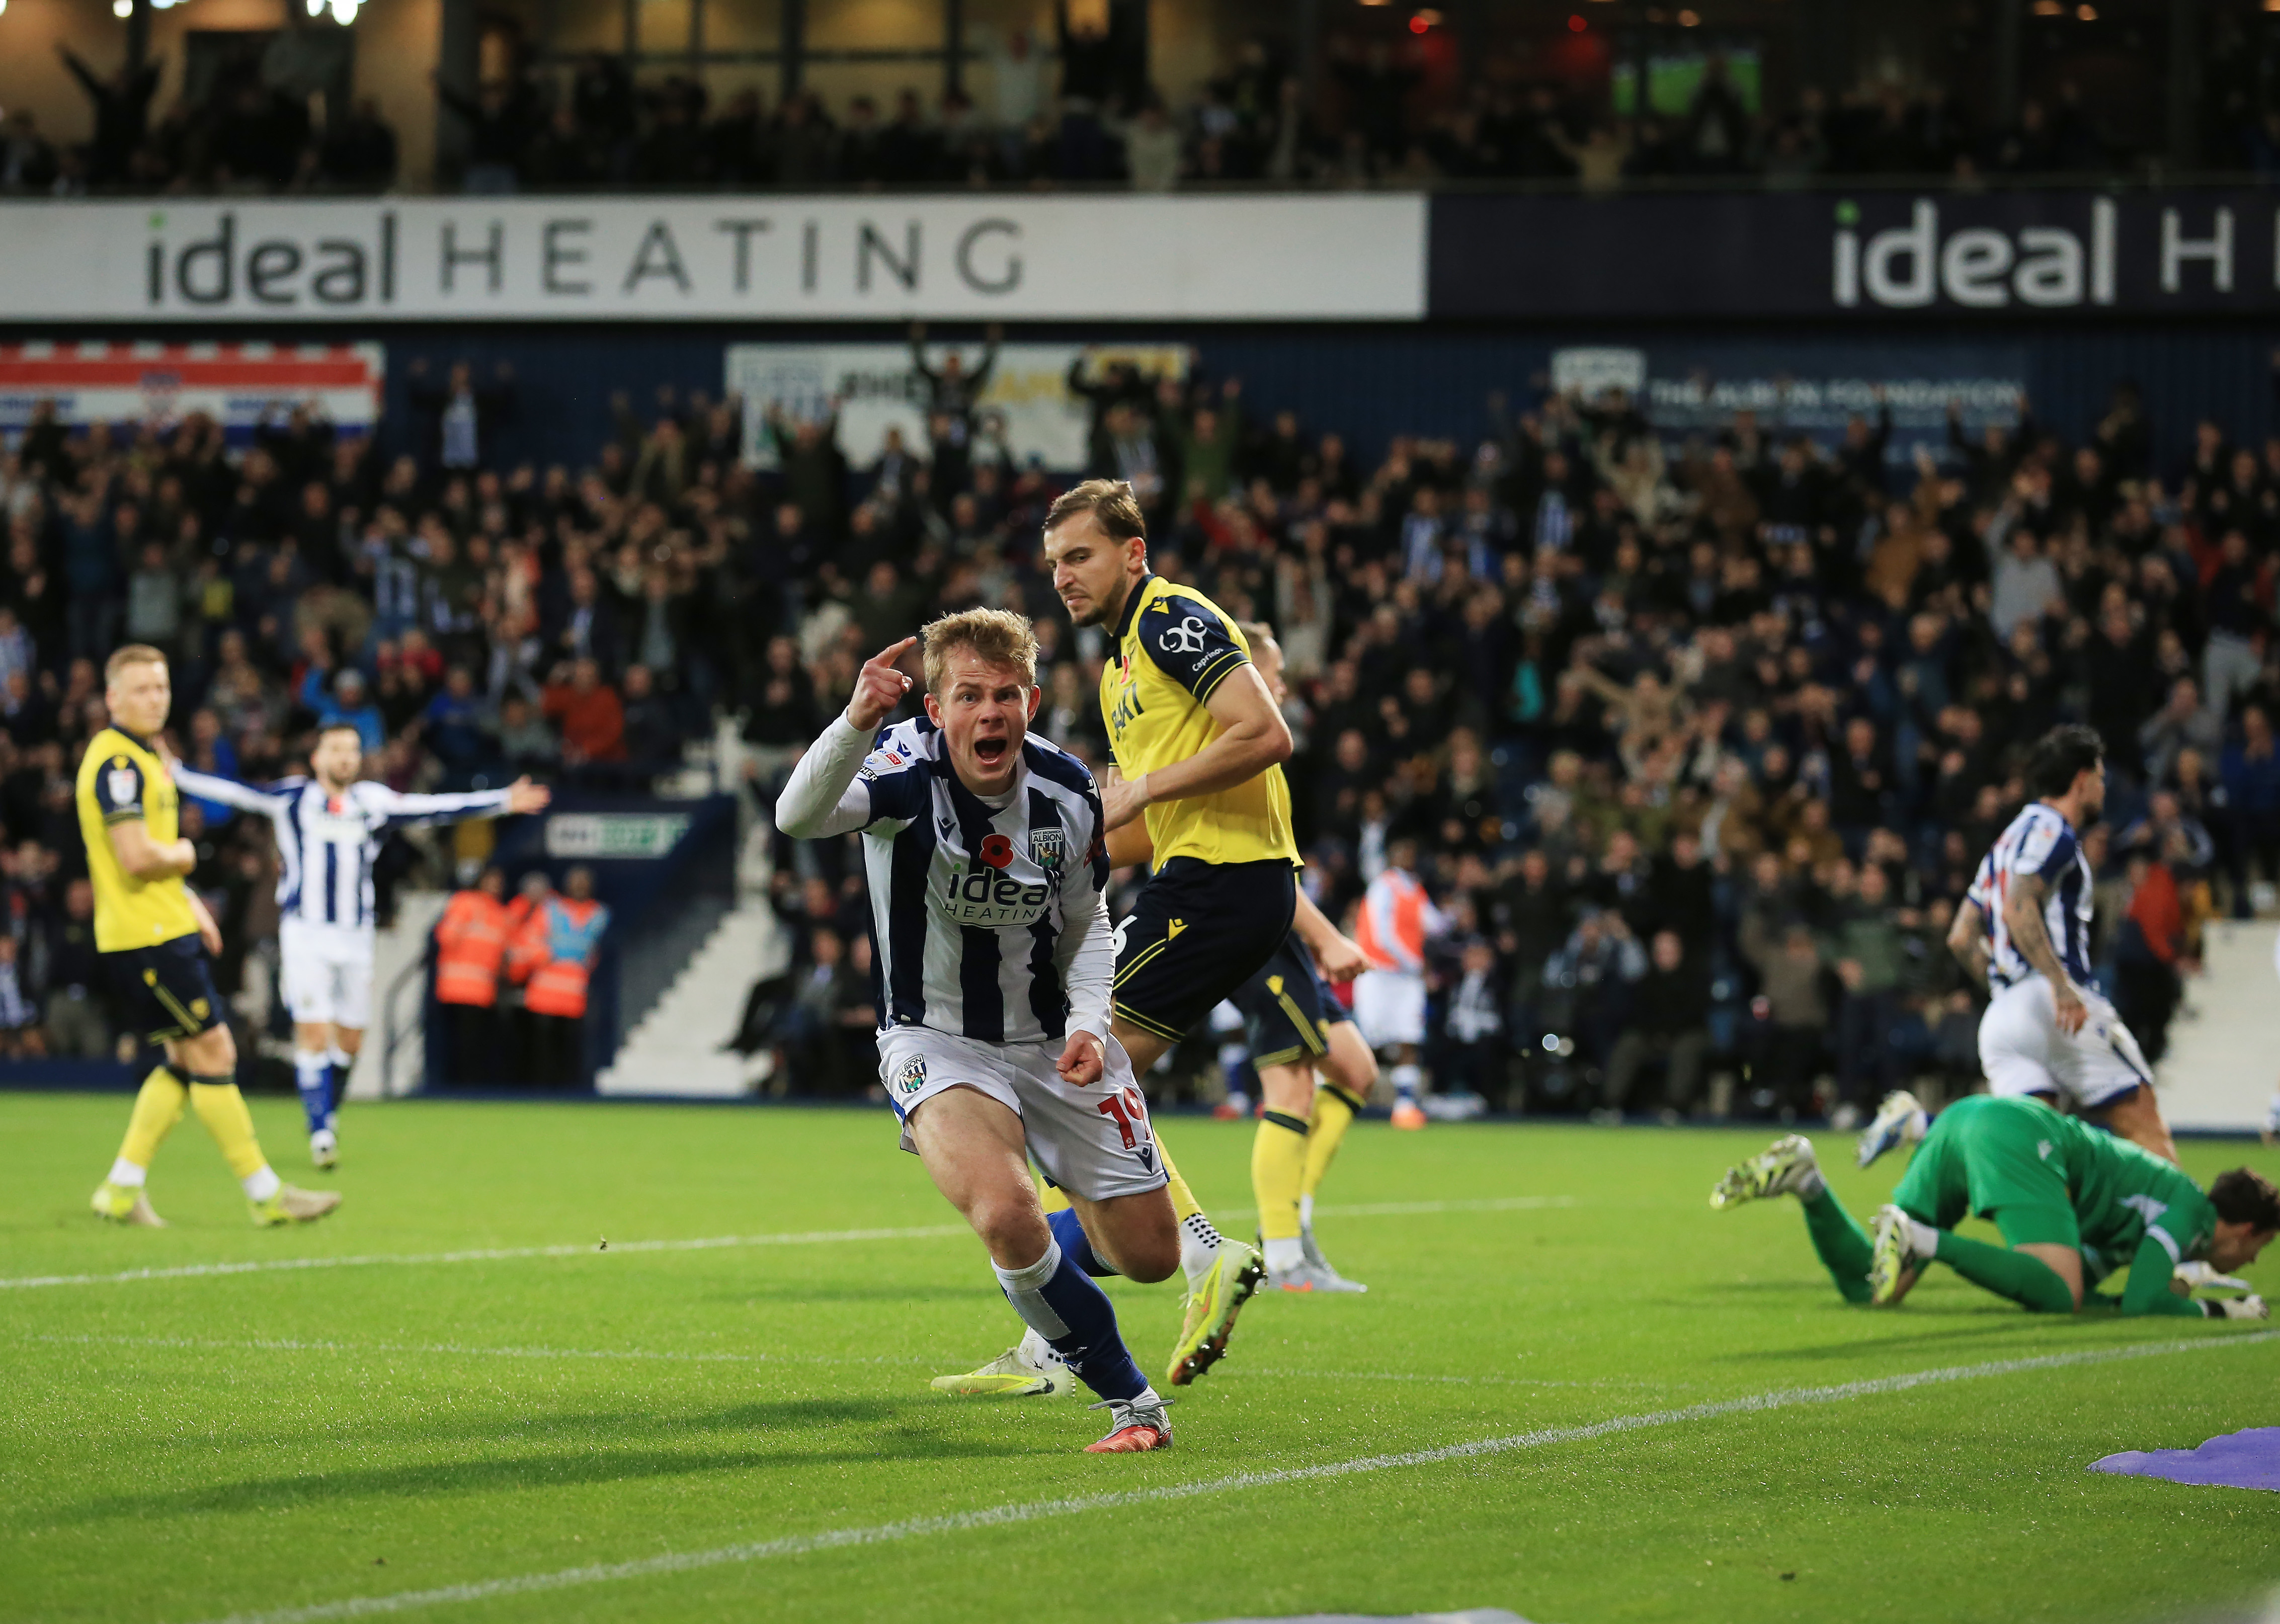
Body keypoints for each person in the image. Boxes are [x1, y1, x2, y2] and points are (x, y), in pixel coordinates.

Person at [776, 614, 1178, 1453]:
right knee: (1004, 1209)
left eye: (1004, 695)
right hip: (936, 1036)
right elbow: (797, 816)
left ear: (1030, 701)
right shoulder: (898, 767)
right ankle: (1133, 1403)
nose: (989, 712)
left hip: (1048, 1039)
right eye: (969, 696)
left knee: (1148, 1255)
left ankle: (1042, 1266)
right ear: (936, 707)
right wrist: (855, 718)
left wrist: (1084, 1024)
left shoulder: (1068, 793)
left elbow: (1089, 926)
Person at [937, 476, 1299, 1399]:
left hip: (1226, 881)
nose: (1063, 575)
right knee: (1067, 1077)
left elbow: (1264, 734)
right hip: (1202, 877)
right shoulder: (1115, 668)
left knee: (1072, 1062)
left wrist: (1141, 787)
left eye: (1081, 555)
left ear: (1132, 553)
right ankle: (1057, 1338)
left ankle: (1201, 1255)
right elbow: (1135, 828)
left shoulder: (1175, 619)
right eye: (1054, 561)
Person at [175, 727, 548, 1165]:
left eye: (353, 750)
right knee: (313, 1032)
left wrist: (502, 801)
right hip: (306, 932)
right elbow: (235, 791)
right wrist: (178, 773)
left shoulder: (372, 802)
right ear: (316, 758)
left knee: (350, 1041)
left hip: (355, 935)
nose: (346, 758)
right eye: (336, 750)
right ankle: (321, 1132)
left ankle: (324, 1112)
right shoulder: (291, 799)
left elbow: (434, 810)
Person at [84, 645, 338, 1230]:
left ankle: (121, 1190)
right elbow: (136, 856)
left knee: (183, 1057)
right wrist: (187, 856)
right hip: (145, 935)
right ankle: (265, 1193)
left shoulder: (146, 757)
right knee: (215, 1051)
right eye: (141, 689)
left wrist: (189, 899)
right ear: (112, 698)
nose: (156, 698)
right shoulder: (118, 765)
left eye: (162, 687)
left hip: (161, 924)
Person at [1711, 1097, 2276, 1321]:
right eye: (2260, 1248)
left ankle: (1807, 1180)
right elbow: (2138, 1302)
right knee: (2060, 1295)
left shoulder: (2154, 1213)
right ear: (2247, 1229)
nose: (2251, 1262)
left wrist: (2163, 1291)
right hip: (2019, 1137)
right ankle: (1920, 1238)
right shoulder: (2189, 1211)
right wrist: (2224, 1311)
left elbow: (2102, 1283)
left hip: (1964, 1119)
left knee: (1873, 1288)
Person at [1940, 724, 2176, 1163]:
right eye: (2101, 778)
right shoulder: (2056, 831)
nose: (2103, 789)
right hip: (2055, 1002)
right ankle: (2181, 1233)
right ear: (2082, 779)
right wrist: (2058, 984)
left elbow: (1960, 936)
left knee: (2044, 1165)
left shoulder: (2004, 843)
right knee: (2146, 1127)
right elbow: (2018, 907)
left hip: (2003, 1016)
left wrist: (2004, 985)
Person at [1353, 835, 1449, 1130]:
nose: (1409, 855)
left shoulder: (1416, 890)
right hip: (1379, 973)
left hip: (1406, 980)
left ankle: (1405, 1106)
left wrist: (1454, 914)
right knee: (1367, 1039)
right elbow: (1383, 935)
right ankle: (1334, 1093)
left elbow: (1435, 925)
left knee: (1409, 1037)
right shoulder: (1384, 886)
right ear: (1393, 856)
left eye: (1411, 851)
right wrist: (1414, 962)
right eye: (1403, 850)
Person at [514, 865, 609, 1087]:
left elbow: (602, 953)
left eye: (584, 882)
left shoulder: (600, 916)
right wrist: (548, 954)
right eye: (576, 881)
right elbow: (528, 942)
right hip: (544, 997)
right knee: (542, 1053)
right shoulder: (550, 910)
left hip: (577, 997)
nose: (579, 886)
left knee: (571, 1053)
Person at [434, 866, 511, 1086]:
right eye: (491, 881)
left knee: (477, 1044)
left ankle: (470, 1088)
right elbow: (446, 937)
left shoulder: (500, 913)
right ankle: (453, 1088)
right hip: (456, 987)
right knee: (458, 1043)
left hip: (483, 990)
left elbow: (503, 955)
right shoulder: (465, 902)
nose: (495, 886)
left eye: (499, 882)